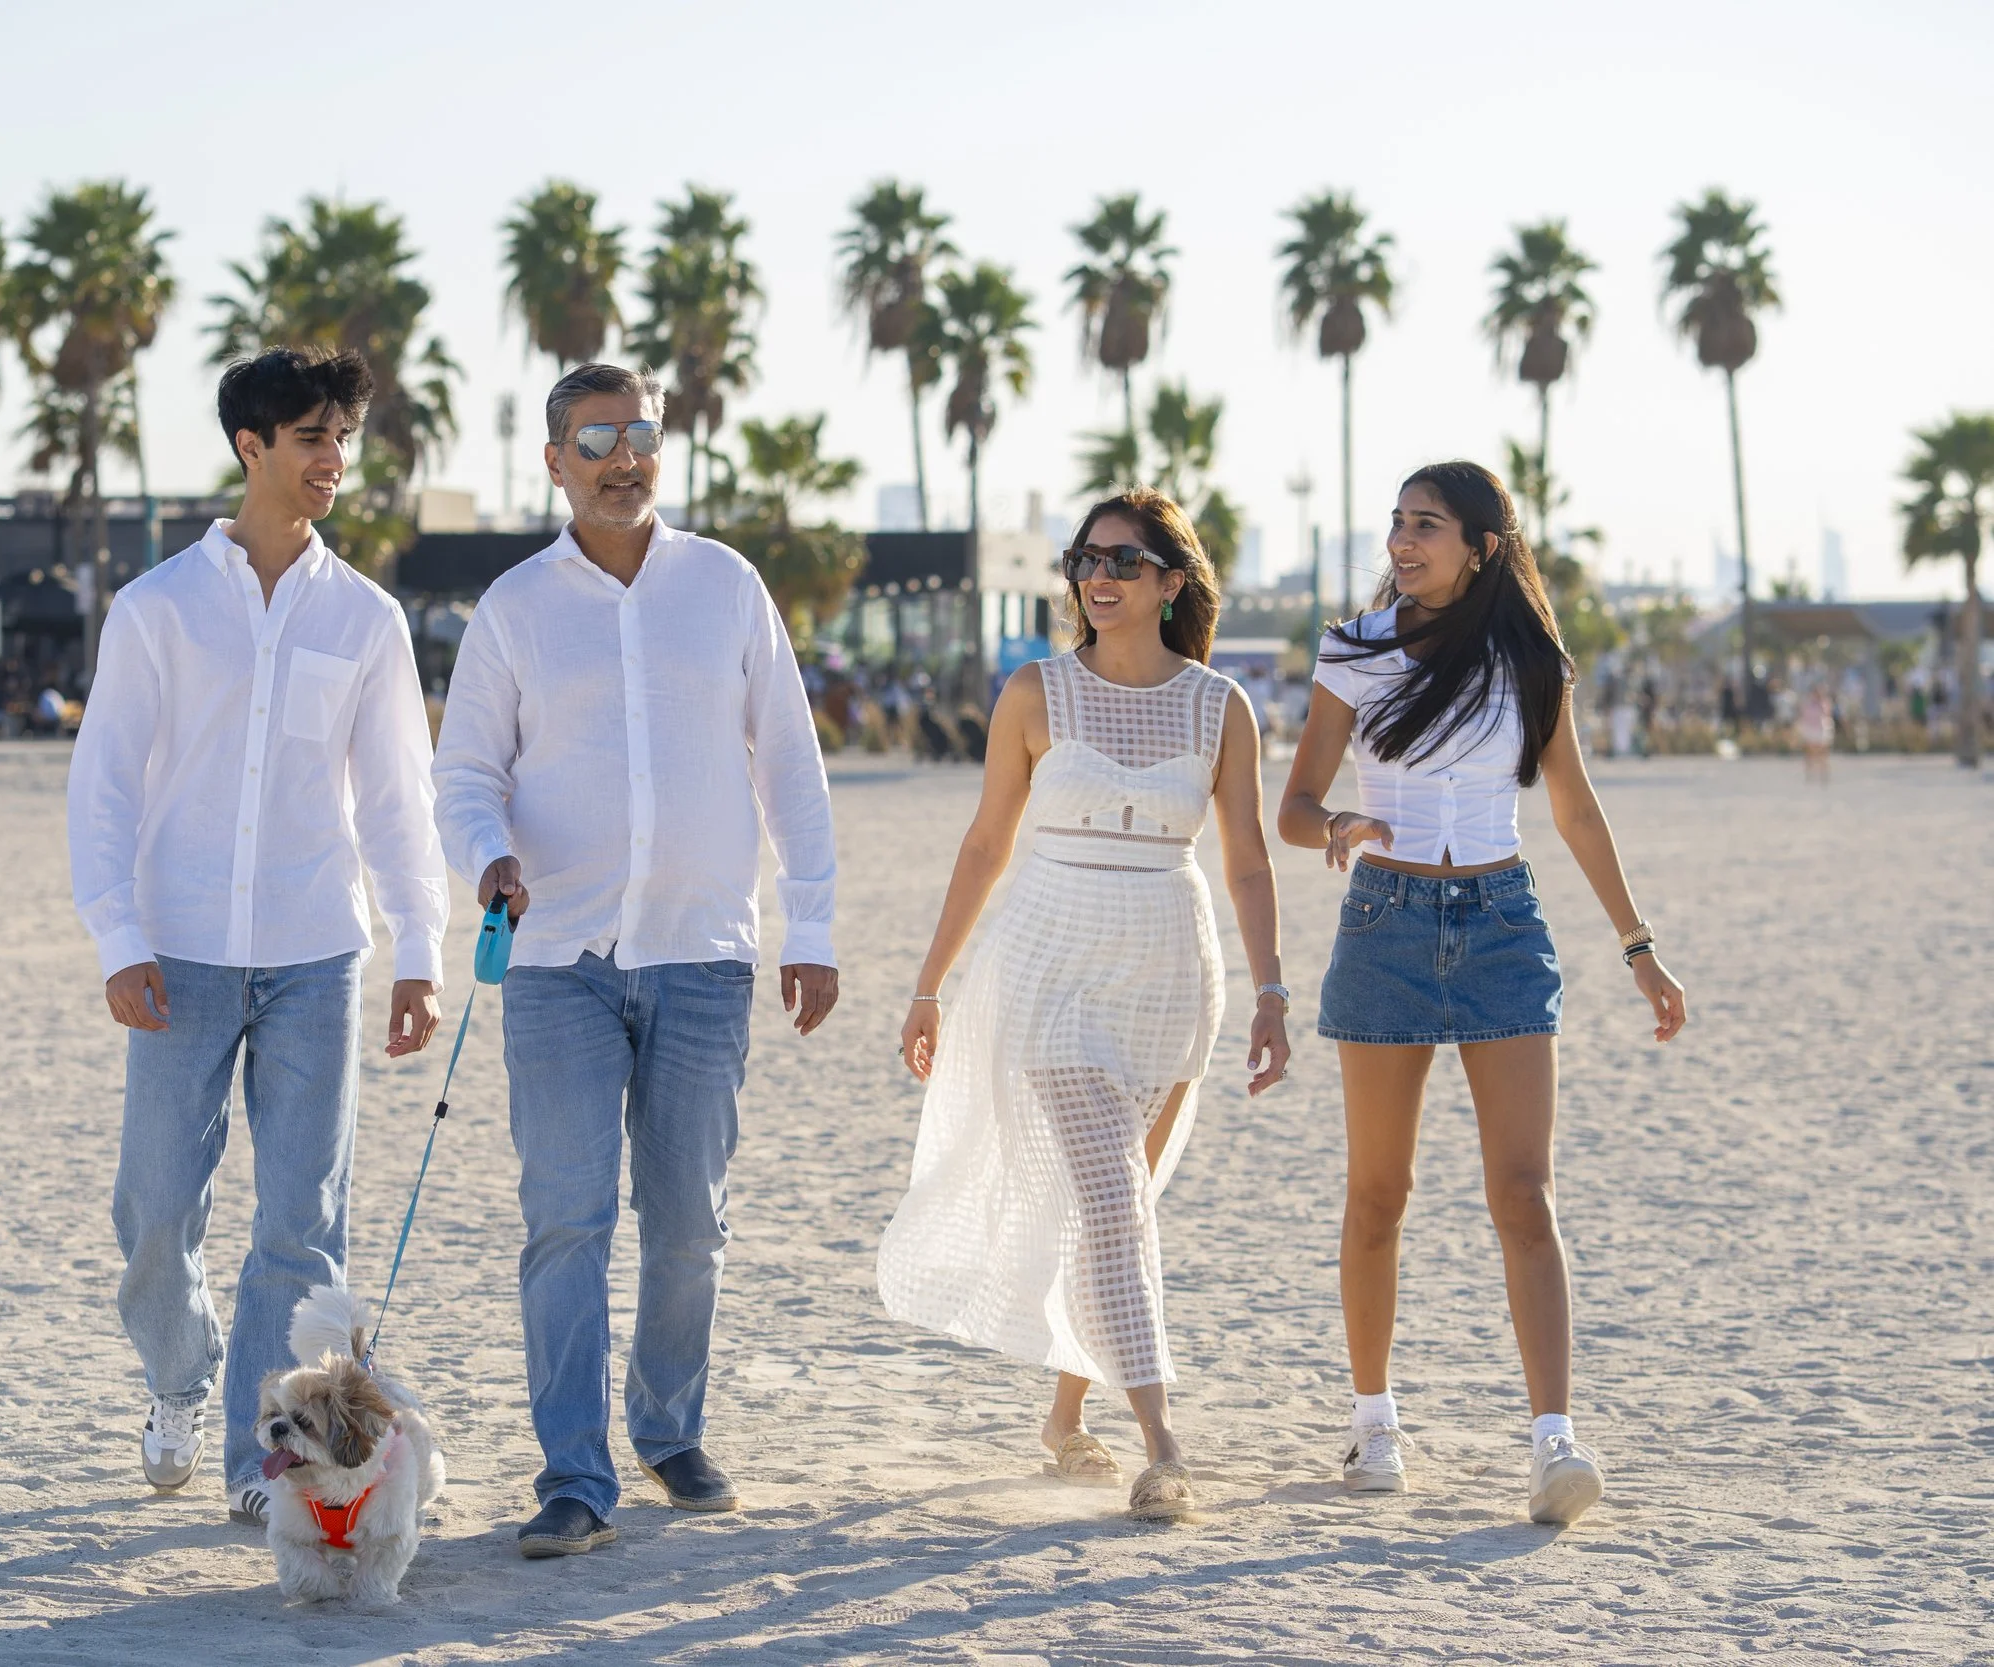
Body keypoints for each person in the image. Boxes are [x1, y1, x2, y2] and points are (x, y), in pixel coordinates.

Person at [432, 361, 840, 1560]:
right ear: (554, 459)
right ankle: (574, 1473)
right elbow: (464, 774)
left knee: (689, 1221)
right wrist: (487, 854)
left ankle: (668, 1425)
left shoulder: (726, 586)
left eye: (641, 433)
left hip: (704, 953)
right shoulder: (512, 605)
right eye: (597, 436)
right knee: (564, 1219)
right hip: (555, 955)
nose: (625, 455)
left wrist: (809, 927)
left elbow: (790, 765)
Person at [66, 346, 448, 1530]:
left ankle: (255, 1451)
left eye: (343, 437)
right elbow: (104, 785)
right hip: (175, 947)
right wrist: (118, 932)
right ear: (251, 447)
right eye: (311, 439)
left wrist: (420, 949)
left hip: (315, 951)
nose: (334, 460)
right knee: (156, 1208)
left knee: (302, 1219)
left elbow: (396, 795)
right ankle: (180, 1377)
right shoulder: (157, 608)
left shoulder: (366, 616)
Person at [1276, 461, 1688, 1527]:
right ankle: (1375, 1422)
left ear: (1482, 545)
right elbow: (1294, 802)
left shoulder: (1531, 659)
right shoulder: (1354, 650)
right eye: (1397, 523)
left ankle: (1554, 1440)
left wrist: (1637, 946)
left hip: (1504, 924)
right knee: (1379, 1191)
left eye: (1427, 525)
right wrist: (1338, 827)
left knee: (1523, 1193)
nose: (1403, 541)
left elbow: (1577, 808)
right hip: (1385, 925)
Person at [878, 488, 1292, 1523]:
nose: (1095, 575)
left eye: (1120, 558)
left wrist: (1273, 988)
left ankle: (1065, 1419)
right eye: (1083, 557)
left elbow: (1245, 860)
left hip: (1168, 967)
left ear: (1170, 579)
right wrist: (929, 982)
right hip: (1048, 958)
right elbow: (985, 842)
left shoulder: (1218, 705)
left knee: (1120, 1210)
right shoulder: (1035, 692)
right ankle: (1164, 1444)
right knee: (1112, 1199)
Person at [1796, 682, 1834, 782]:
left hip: (1821, 729)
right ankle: (1810, 774)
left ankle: (1823, 773)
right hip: (1810, 729)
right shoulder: (1807, 704)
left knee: (1822, 753)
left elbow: (1826, 714)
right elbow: (1803, 716)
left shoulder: (1824, 703)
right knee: (1810, 753)